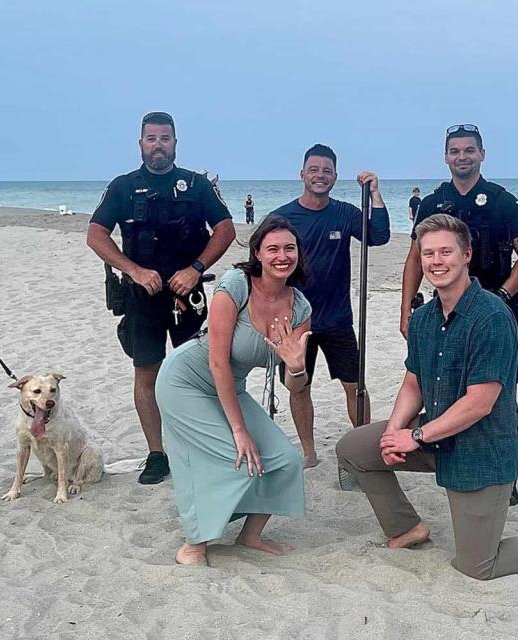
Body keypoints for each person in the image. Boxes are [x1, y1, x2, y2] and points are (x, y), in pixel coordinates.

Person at [337, 213, 518, 580]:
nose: (436, 261)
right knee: (354, 449)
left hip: (480, 449)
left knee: (477, 565)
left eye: (445, 252)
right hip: (435, 437)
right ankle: (406, 527)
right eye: (428, 254)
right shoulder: (423, 318)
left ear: (466, 254)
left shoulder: (492, 317)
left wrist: (416, 436)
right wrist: (395, 434)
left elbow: (480, 403)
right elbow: (414, 382)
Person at [87, 111, 236, 485]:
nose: (158, 145)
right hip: (142, 294)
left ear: (175, 143)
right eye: (151, 139)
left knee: (201, 371)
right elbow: (96, 235)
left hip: (189, 293)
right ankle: (157, 453)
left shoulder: (196, 185)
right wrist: (134, 270)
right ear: (140, 144)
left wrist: (197, 268)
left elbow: (225, 228)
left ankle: (200, 446)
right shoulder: (122, 187)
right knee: (146, 373)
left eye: (165, 138)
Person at [156, 215, 312, 565]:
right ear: (257, 252)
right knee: (237, 458)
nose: (282, 256)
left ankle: (250, 536)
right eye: (273, 249)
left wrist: (298, 365)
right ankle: (193, 545)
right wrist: (239, 429)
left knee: (286, 461)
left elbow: (295, 386)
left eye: (289, 248)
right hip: (187, 381)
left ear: (299, 254)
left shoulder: (300, 307)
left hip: (230, 388)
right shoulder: (236, 284)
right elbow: (217, 362)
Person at [401, 124, 518, 505]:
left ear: (482, 154)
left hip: (496, 310)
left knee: (499, 394)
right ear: (446, 157)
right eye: (455, 151)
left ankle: (503, 475)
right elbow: (415, 258)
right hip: (443, 311)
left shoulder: (501, 201)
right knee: (446, 384)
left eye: (469, 150)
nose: (462, 157)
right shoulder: (432, 204)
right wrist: (406, 309)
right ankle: (452, 454)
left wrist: (501, 297)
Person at [270, 144, 390, 468]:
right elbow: (263, 262)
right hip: (296, 322)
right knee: (298, 386)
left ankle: (363, 452)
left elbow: (379, 235)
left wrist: (375, 193)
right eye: (314, 169)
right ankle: (309, 452)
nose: (320, 175)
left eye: (327, 171)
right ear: (302, 174)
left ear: (335, 177)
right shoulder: (283, 217)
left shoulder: (345, 213)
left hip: (338, 319)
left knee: (356, 386)